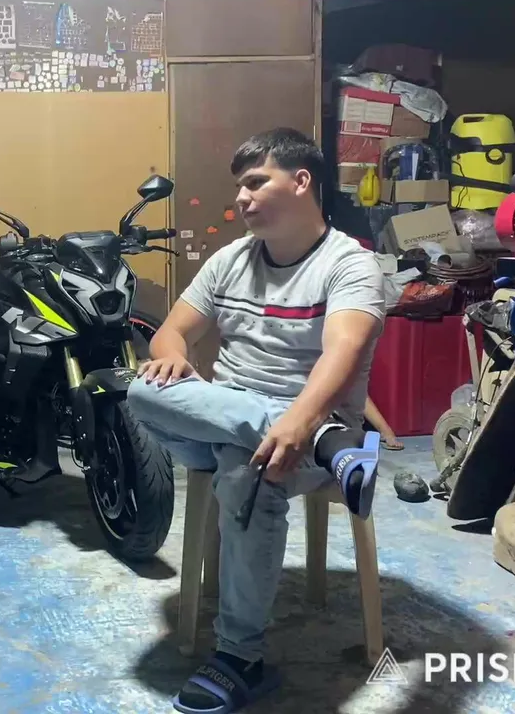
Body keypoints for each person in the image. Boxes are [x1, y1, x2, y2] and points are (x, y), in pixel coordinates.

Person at [125, 128, 386, 713]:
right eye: (239, 187)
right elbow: (171, 333)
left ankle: (240, 657)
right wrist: (172, 355)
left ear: (301, 181)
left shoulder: (351, 265)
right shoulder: (231, 259)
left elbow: (343, 353)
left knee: (249, 472)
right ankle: (332, 445)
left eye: (255, 182)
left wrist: (300, 422)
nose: (241, 198)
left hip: (305, 422)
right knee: (140, 388)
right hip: (248, 420)